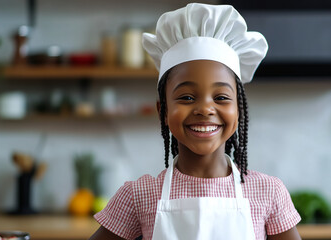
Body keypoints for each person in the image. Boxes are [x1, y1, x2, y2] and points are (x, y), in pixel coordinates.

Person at [89, 3, 301, 240]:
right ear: (163, 111)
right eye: (187, 97)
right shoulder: (138, 195)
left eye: (221, 97)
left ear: (238, 109)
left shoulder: (269, 192)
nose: (205, 109)